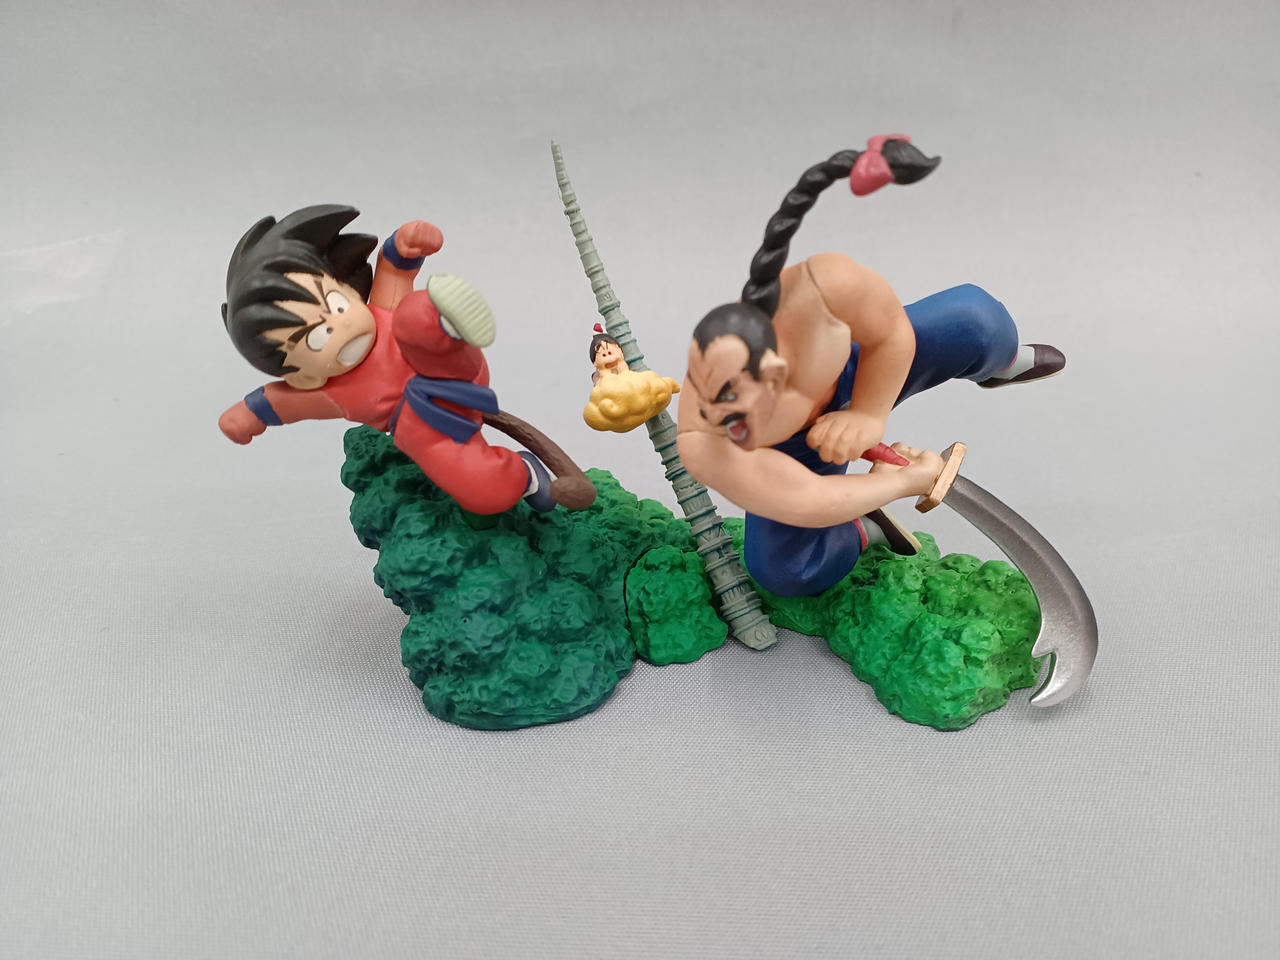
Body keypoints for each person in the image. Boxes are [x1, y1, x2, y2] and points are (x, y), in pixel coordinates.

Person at [675, 137, 1065, 596]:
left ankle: (1000, 364)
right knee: (787, 569)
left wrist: (867, 413)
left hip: (866, 367)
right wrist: (902, 482)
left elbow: (891, 333)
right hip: (795, 453)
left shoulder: (823, 286)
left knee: (976, 320)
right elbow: (806, 499)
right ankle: (862, 529)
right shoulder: (708, 442)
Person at [218, 204, 556, 513]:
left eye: (337, 305)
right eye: (318, 337)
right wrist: (248, 414)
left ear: (348, 290)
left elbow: (395, 273)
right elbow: (280, 402)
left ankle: (448, 322)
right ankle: (523, 475)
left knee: (412, 316)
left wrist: (404, 247)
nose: (342, 324)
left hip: (452, 368)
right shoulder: (329, 393)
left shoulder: (385, 315)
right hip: (428, 425)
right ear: (305, 376)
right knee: (481, 491)